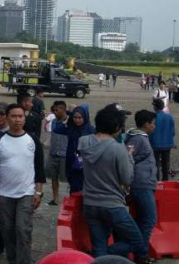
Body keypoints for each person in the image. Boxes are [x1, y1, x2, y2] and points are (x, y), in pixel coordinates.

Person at [78, 107, 149, 263]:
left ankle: (99, 254)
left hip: (90, 203)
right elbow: (127, 179)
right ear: (117, 127)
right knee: (137, 242)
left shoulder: (83, 142)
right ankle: (103, 253)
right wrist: (129, 156)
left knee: (99, 245)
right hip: (113, 205)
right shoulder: (118, 149)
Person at [0, 103, 46, 264]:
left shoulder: (32, 140)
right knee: (7, 230)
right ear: (7, 118)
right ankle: (13, 260)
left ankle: (24, 261)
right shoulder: (0, 140)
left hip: (26, 192)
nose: (17, 120)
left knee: (22, 229)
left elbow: (39, 169)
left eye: (20, 116)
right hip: (4, 193)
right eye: (14, 116)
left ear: (24, 118)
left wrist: (38, 192)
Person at [125, 110, 158, 262]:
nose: (154, 127)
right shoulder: (138, 139)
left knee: (142, 220)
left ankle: (139, 252)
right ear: (146, 124)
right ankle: (141, 254)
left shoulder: (138, 137)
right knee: (149, 220)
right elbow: (128, 158)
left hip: (143, 182)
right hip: (141, 184)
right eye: (153, 123)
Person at [60, 105, 95, 194]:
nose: (77, 120)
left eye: (80, 118)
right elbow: (56, 128)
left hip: (86, 168)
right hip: (72, 165)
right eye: (75, 117)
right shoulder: (71, 128)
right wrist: (67, 116)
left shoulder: (91, 131)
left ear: (85, 117)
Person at [45, 101, 69, 206]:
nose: (54, 112)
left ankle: (70, 199)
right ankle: (55, 199)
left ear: (63, 110)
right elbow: (53, 132)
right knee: (53, 177)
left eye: (56, 110)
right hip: (53, 153)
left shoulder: (71, 121)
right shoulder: (54, 121)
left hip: (65, 154)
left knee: (68, 178)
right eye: (53, 110)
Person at [150, 98, 175, 181]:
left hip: (154, 144)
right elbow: (173, 132)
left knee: (155, 164)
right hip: (167, 144)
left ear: (155, 107)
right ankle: (165, 180)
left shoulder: (152, 118)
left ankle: (156, 182)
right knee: (165, 164)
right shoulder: (170, 117)